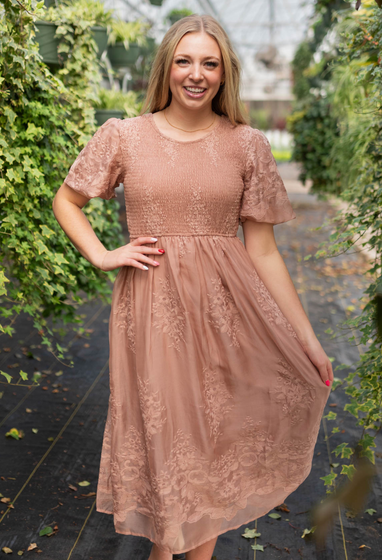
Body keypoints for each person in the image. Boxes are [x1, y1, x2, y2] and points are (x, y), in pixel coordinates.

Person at [52, 14, 333, 560]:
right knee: (174, 452)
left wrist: (310, 341)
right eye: (185, 61)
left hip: (230, 315)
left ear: (225, 73)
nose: (196, 74)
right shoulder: (124, 136)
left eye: (210, 63)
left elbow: (264, 252)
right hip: (153, 313)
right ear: (167, 68)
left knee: (212, 446)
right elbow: (68, 200)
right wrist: (104, 254)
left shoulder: (247, 145)